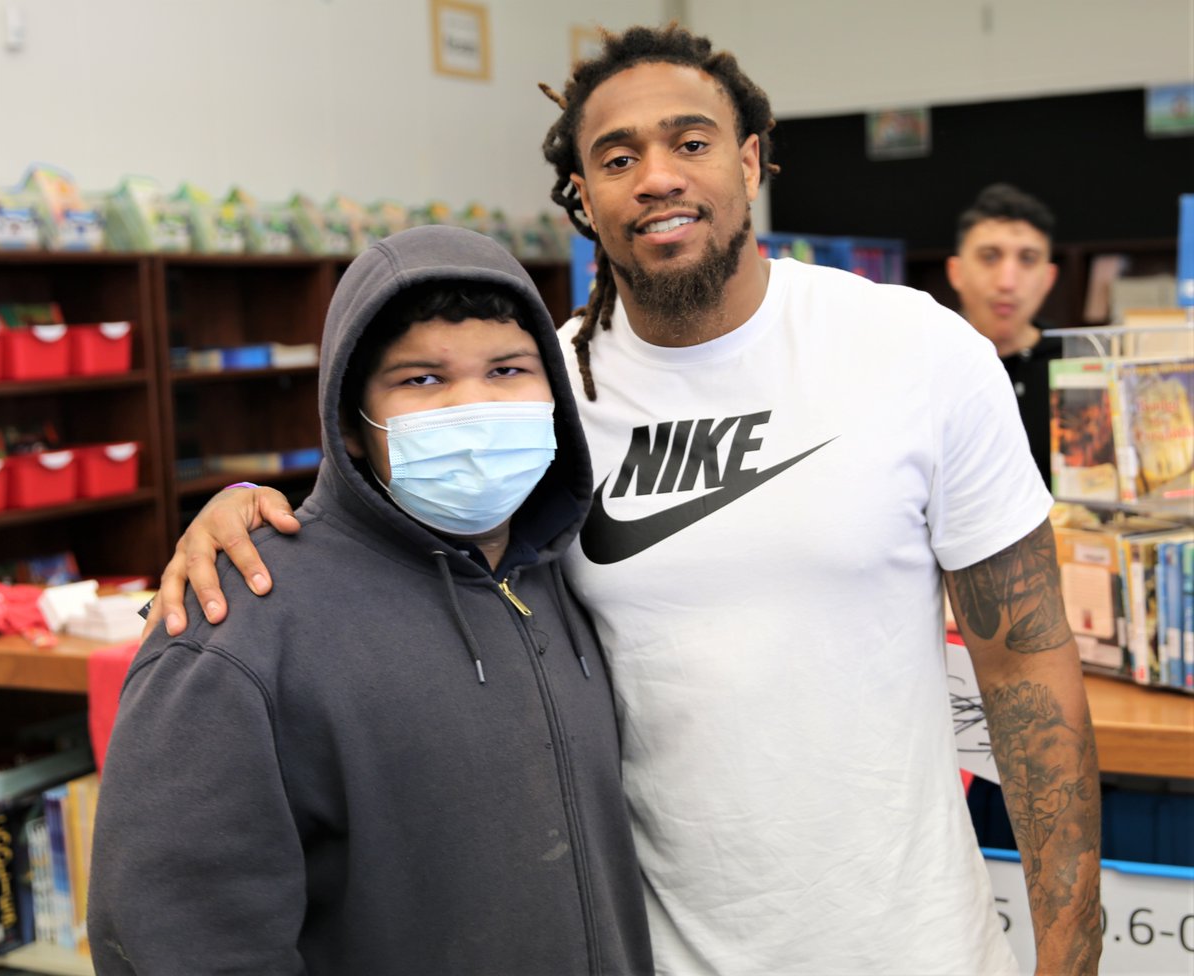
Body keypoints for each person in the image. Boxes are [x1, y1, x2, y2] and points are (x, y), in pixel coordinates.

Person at [145, 25, 1102, 976]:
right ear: (583, 198)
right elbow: (386, 535)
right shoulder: (534, 392)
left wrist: (1072, 951)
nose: (657, 176)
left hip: (917, 948)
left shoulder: (916, 351)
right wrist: (236, 502)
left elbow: (1027, 667)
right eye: (617, 156)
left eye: (691, 142)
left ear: (751, 159)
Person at [87, 226, 653, 975]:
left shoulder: (570, 573)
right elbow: (180, 941)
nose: (473, 406)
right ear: (352, 424)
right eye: (421, 379)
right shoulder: (239, 626)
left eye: (508, 369)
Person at [946, 183, 1062, 485]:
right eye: (989, 256)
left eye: (1027, 259)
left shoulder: (1078, 365)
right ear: (956, 272)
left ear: (1048, 278)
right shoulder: (923, 363)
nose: (1007, 282)